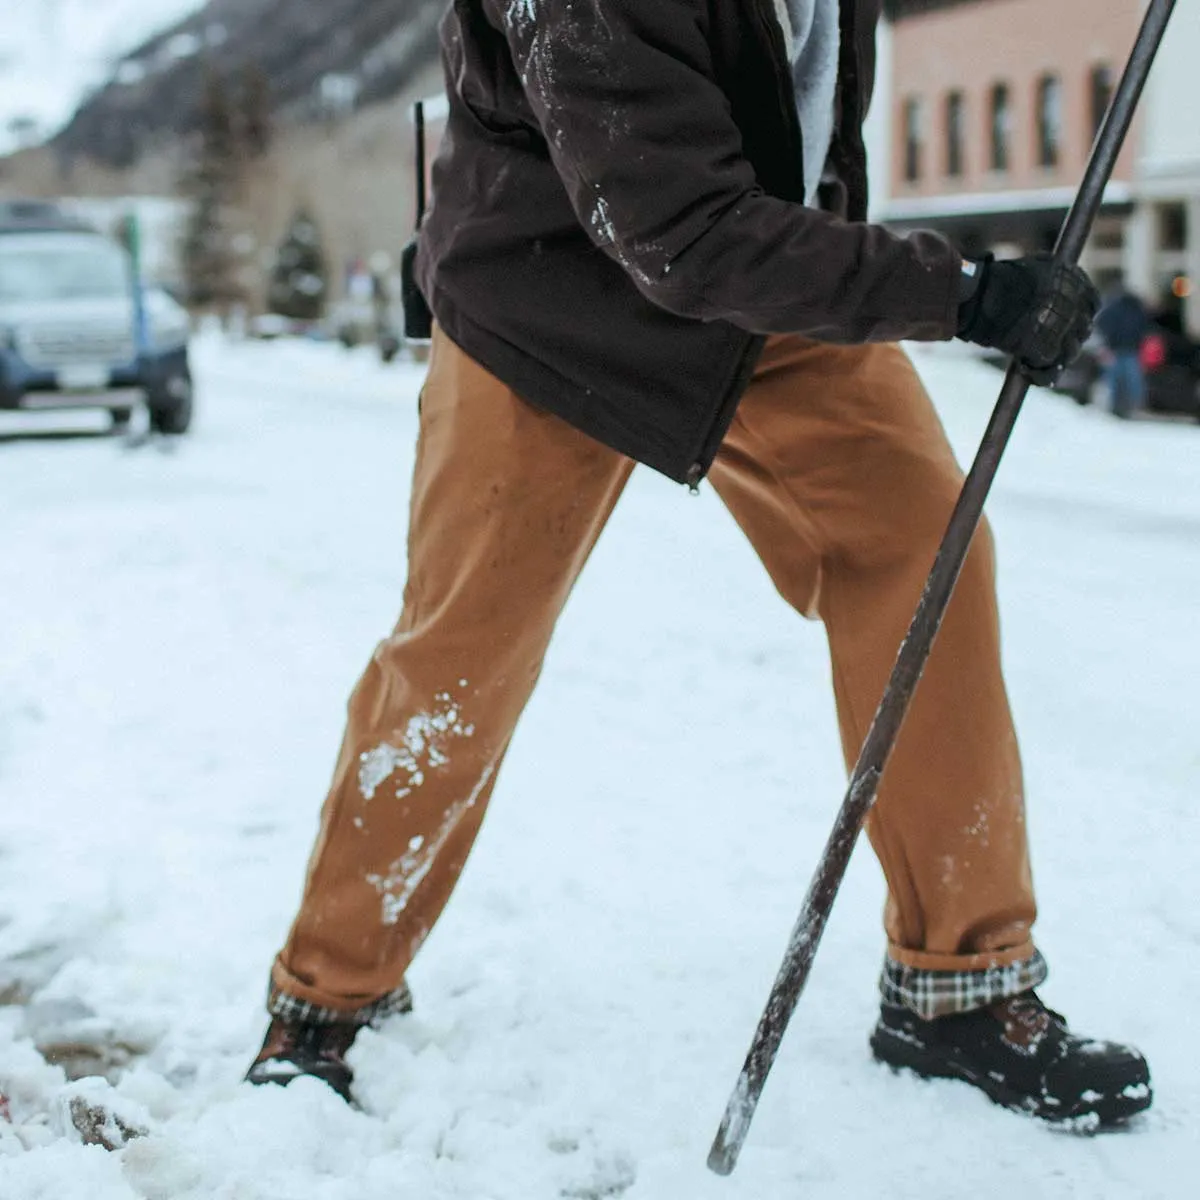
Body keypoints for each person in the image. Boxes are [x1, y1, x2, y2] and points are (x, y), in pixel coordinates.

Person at [247, 0, 1151, 1127]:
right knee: (463, 654)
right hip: (551, 308)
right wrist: (961, 295)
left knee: (927, 551)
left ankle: (958, 988)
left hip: (766, 281)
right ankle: (326, 999)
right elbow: (681, 229)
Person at [1095, 279, 1152, 418]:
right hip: (1129, 350)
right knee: (1130, 382)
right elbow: (1144, 328)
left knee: (1115, 381)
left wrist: (1108, 342)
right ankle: (1130, 408)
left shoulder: (1114, 308)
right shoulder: (1137, 310)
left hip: (1119, 350)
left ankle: (1117, 408)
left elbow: (1102, 323)